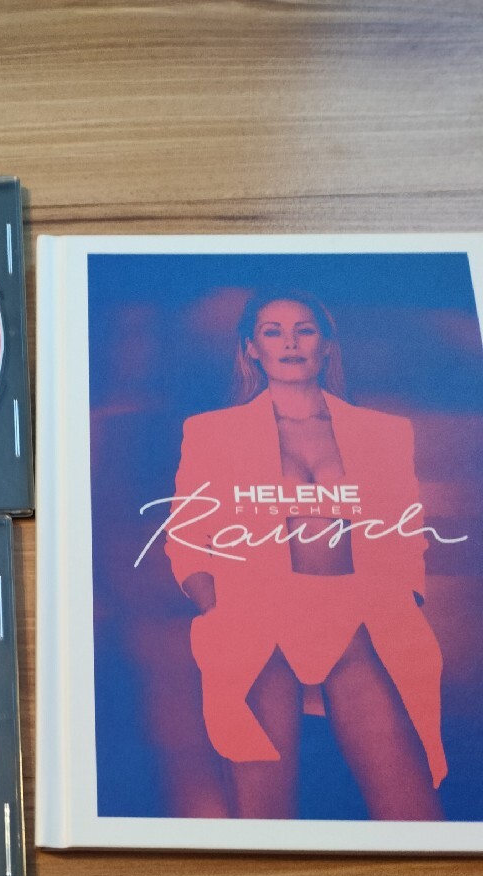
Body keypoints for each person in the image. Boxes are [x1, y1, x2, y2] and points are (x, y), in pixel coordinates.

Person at [165, 292, 446, 820]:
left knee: (413, 812)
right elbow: (185, 537)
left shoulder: (384, 433)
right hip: (257, 617)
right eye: (272, 331)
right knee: (263, 817)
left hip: (356, 618)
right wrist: (217, 609)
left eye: (305, 329)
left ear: (326, 344)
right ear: (251, 348)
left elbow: (407, 534)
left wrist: (398, 606)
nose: (290, 342)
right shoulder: (212, 432)